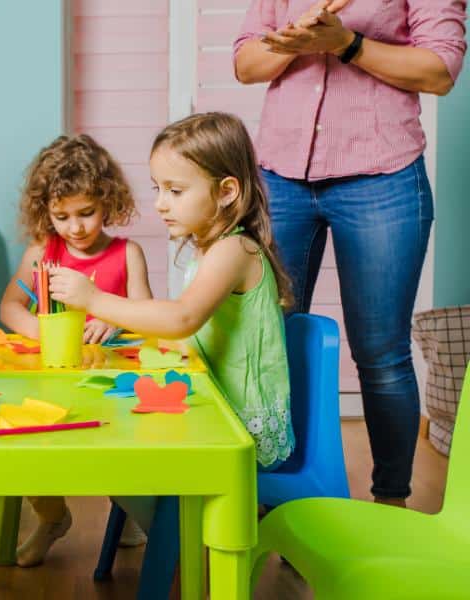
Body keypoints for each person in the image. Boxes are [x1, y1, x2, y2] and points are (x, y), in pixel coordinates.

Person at [234, 0, 467, 506]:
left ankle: (390, 504)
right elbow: (245, 64)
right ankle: (282, 498)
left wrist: (347, 43)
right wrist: (293, 39)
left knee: (380, 354)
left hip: (383, 177)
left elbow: (441, 69)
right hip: (281, 177)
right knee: (269, 342)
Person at [49, 112, 296, 530]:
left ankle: (179, 537)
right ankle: (172, 535)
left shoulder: (234, 250)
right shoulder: (208, 249)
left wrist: (94, 299)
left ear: (226, 192)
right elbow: (193, 333)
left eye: (175, 190)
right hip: (211, 405)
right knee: (113, 429)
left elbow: (183, 317)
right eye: (158, 188)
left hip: (238, 425)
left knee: (116, 454)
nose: (161, 202)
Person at [0, 133, 152, 566]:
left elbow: (146, 314)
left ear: (108, 200)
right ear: (46, 211)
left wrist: (114, 316)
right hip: (52, 375)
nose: (76, 227)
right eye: (62, 216)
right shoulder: (42, 253)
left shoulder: (128, 253)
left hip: (110, 381)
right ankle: (51, 516)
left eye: (87, 213)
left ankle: (130, 508)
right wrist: (42, 331)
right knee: (23, 440)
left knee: (126, 440)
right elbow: (10, 307)